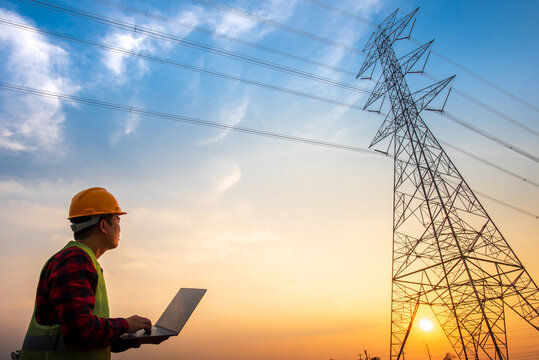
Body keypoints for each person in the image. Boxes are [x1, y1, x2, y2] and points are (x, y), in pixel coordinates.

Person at [19, 187, 168, 359]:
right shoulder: (75, 260)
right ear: (103, 226)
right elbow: (79, 331)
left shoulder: (82, 260)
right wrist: (125, 325)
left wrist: (138, 338)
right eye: (118, 220)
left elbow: (88, 338)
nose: (120, 228)